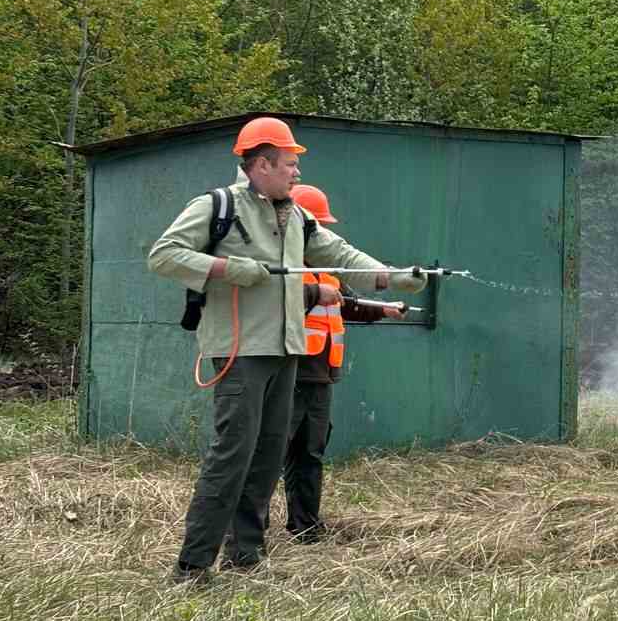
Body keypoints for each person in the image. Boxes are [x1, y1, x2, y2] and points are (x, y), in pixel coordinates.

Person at [147, 116, 427, 584]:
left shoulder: (297, 215)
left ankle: (246, 556)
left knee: (267, 456)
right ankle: (192, 567)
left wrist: (392, 276)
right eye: (290, 164)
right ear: (261, 165)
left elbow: (340, 254)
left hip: (287, 351)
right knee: (232, 455)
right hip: (241, 350)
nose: (297, 172)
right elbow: (164, 255)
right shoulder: (216, 206)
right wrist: (231, 269)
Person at [280, 183, 404, 544]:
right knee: (268, 455)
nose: (321, 234)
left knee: (310, 453)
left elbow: (349, 305)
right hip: (287, 373)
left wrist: (384, 310)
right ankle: (249, 533)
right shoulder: (282, 271)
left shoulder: (329, 271)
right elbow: (270, 306)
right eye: (316, 226)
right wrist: (313, 293)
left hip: (320, 378)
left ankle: (306, 527)